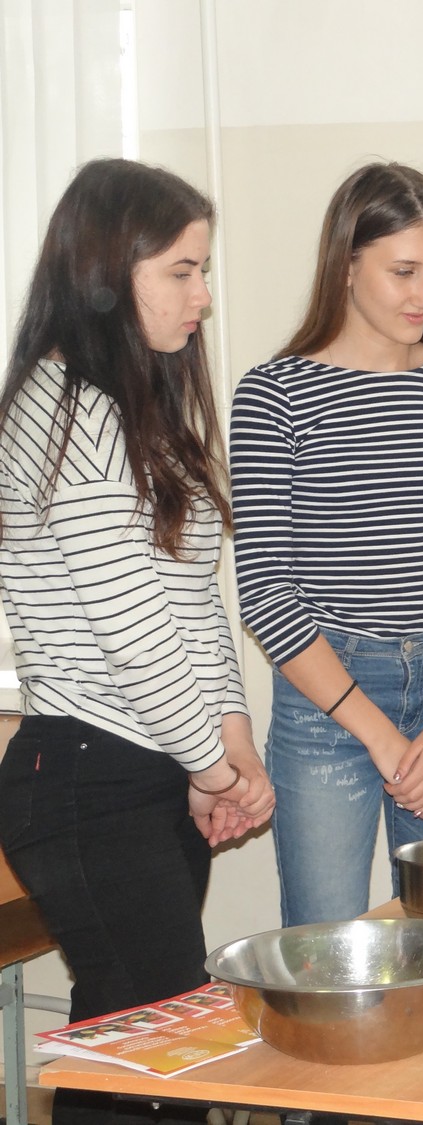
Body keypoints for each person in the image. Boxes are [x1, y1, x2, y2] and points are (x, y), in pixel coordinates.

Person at [0, 158, 274, 1125]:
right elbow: (128, 627)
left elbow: (192, 603)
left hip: (146, 764)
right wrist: (211, 763)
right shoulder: (66, 407)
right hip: (84, 768)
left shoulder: (139, 412)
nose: (204, 294)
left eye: (205, 269)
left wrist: (232, 742)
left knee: (135, 1045)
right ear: (109, 273)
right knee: (168, 1048)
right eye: (182, 271)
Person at [231, 163, 423, 926]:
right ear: (347, 263)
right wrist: (387, 742)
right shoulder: (275, 394)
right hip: (329, 700)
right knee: (326, 954)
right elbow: (265, 591)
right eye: (404, 271)